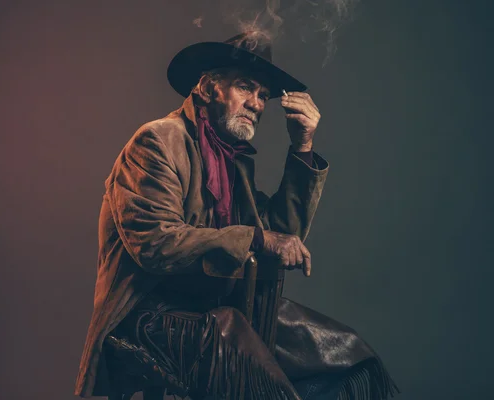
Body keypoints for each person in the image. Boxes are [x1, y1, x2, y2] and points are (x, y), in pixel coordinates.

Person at [74, 32, 399, 400]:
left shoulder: (232, 159)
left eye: (263, 95)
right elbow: (155, 244)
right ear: (209, 87)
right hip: (149, 314)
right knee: (249, 363)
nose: (258, 104)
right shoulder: (157, 141)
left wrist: (302, 147)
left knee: (349, 358)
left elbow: (282, 235)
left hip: (219, 306)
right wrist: (258, 239)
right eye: (246, 88)